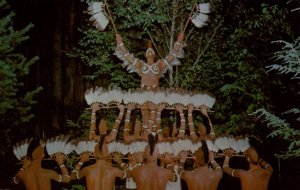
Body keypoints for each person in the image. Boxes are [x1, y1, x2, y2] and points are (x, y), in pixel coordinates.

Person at [115, 32, 185, 90]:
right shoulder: (141, 64)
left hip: (155, 91)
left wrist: (179, 41)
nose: (150, 52)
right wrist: (120, 43)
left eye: (151, 51)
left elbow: (173, 55)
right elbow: (127, 56)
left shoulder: (159, 64)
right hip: (143, 91)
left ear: (155, 55)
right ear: (145, 55)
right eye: (148, 51)